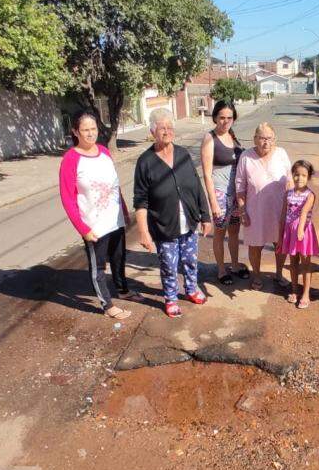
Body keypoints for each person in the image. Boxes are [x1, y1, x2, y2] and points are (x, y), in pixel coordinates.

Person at [59, 110, 141, 320]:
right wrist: (83, 229)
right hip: (93, 225)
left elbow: (114, 185)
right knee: (99, 267)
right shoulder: (71, 159)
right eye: (85, 130)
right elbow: (68, 198)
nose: (90, 133)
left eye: (93, 129)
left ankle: (123, 290)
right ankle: (108, 306)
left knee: (119, 258)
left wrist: (123, 209)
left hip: (115, 219)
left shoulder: (104, 151)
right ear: (75, 132)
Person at [133, 108, 212, 318]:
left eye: (169, 127)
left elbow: (196, 186)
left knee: (190, 260)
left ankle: (192, 289)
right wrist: (143, 231)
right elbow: (140, 200)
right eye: (161, 128)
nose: (166, 131)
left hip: (189, 219)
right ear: (152, 132)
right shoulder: (145, 162)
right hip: (163, 224)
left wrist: (205, 216)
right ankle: (170, 298)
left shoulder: (183, 154)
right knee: (169, 264)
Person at [236, 122, 291, 290]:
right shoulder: (246, 156)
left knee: (280, 244)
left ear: (274, 140)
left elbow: (290, 180)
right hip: (255, 211)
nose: (265, 142)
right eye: (261, 138)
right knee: (255, 245)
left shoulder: (281, 153)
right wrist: (243, 211)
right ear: (254, 139)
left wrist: (291, 208)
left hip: (279, 210)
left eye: (269, 138)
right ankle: (257, 276)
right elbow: (240, 186)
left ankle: (279, 273)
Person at [200, 100, 249, 286]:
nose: (225, 121)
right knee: (220, 233)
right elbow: (206, 173)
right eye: (221, 118)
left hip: (236, 196)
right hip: (220, 195)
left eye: (229, 118)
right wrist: (213, 203)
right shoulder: (210, 138)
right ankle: (221, 269)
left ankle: (235, 265)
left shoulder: (233, 136)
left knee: (235, 232)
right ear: (215, 118)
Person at [279, 160, 319, 308]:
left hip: (304, 233)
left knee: (306, 264)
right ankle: (294, 290)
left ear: (308, 177)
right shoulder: (288, 194)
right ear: (292, 175)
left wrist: (301, 230)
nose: (299, 178)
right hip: (290, 232)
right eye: (296, 175)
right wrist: (280, 234)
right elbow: (283, 215)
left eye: (303, 175)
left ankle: (306, 293)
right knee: (293, 262)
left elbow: (304, 213)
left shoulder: (310, 195)